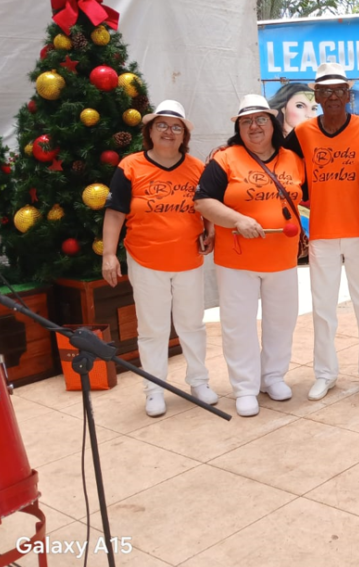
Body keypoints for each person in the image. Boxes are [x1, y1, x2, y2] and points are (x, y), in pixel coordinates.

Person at [101, 100, 217, 418]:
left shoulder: (197, 168)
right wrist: (109, 254)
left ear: (184, 136)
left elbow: (207, 205)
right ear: (150, 131)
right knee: (152, 328)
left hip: (188, 260)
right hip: (145, 260)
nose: (169, 131)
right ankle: (154, 389)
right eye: (162, 125)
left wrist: (210, 231)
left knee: (192, 325)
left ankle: (199, 382)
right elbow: (115, 212)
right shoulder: (130, 166)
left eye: (176, 127)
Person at [194, 94, 306, 417]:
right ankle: (244, 387)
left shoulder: (293, 159)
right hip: (237, 261)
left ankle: (273, 377)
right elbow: (203, 201)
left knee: (281, 321)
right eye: (246, 122)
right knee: (238, 325)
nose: (254, 126)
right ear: (239, 128)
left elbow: (306, 199)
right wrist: (237, 220)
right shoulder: (225, 159)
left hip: (282, 259)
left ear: (273, 124)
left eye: (260, 120)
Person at [284, 62, 359, 402]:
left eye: (339, 90)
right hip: (322, 233)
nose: (332, 97)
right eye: (325, 91)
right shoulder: (302, 133)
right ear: (317, 96)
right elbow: (277, 166)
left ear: (347, 94)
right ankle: (325, 374)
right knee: (323, 307)